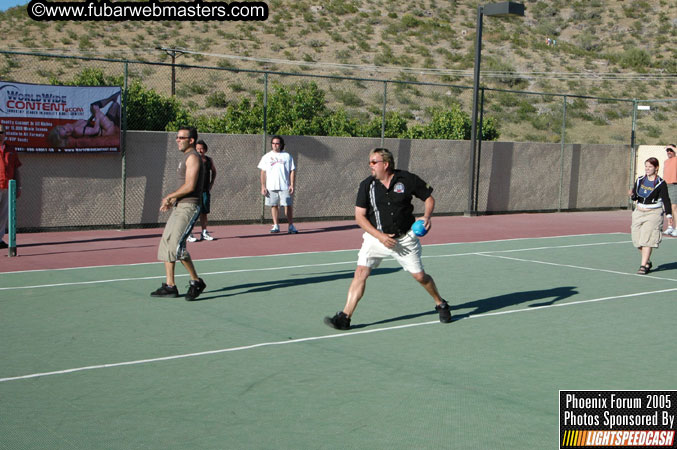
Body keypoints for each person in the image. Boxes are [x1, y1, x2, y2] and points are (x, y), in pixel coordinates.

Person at [324, 148, 451, 330]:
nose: (370, 166)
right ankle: (345, 317)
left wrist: (427, 216)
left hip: (405, 239)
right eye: (369, 162)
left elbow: (429, 198)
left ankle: (441, 303)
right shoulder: (366, 185)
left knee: (420, 276)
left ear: (386, 164)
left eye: (374, 162)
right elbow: (359, 217)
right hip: (375, 238)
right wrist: (380, 236)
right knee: (360, 272)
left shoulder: (407, 179)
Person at [151, 126, 207, 300]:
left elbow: (190, 186)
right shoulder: (185, 158)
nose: (178, 140)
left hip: (190, 207)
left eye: (182, 138)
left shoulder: (193, 158)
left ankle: (196, 281)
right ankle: (170, 286)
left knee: (177, 246)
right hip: (180, 206)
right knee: (167, 243)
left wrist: (170, 196)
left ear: (191, 140)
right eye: (177, 137)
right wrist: (173, 201)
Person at [629, 157, 672, 275]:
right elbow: (635, 196)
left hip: (653, 213)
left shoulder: (660, 183)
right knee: (637, 241)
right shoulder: (640, 180)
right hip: (639, 212)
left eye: (650, 167)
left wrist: (669, 215)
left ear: (656, 168)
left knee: (647, 240)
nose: (647, 169)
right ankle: (647, 260)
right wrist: (632, 195)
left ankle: (643, 265)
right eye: (646, 166)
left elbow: (666, 200)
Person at [257, 135, 298, 234]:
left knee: (287, 205)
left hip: (285, 186)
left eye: (277, 143)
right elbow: (263, 172)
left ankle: (291, 226)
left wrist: (292, 184)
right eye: (273, 143)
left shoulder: (287, 156)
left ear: (281, 144)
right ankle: (276, 225)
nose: (275, 145)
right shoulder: (266, 157)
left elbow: (292, 170)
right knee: (274, 205)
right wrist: (263, 186)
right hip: (271, 186)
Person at [47, 95, 121, 147]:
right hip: (107, 130)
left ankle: (114, 99)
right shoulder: (76, 130)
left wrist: (94, 115)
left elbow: (87, 124)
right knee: (94, 106)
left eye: (64, 128)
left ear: (62, 126)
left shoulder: (74, 125)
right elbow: (95, 130)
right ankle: (112, 97)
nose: (68, 130)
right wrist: (97, 114)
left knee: (115, 105)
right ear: (68, 136)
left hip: (105, 127)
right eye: (67, 133)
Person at [187, 139, 217, 242]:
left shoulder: (209, 160)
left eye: (202, 149)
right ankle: (189, 233)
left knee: (204, 212)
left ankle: (204, 232)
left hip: (205, 190)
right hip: (194, 191)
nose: (200, 151)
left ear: (205, 150)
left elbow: (214, 171)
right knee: (193, 212)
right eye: (198, 149)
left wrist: (211, 183)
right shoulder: (192, 160)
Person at [0, 123, 22, 249]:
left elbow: (17, 169)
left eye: (2, 133)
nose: (0, 135)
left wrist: (19, 187)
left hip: (8, 187)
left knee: (3, 215)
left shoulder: (11, 150)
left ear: (5, 135)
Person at [662, 145, 677, 237]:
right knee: (667, 208)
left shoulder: (676, 159)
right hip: (666, 185)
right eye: (667, 150)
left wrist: (672, 147)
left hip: (674, 185)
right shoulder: (666, 162)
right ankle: (670, 226)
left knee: (674, 207)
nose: (669, 152)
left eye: (670, 150)